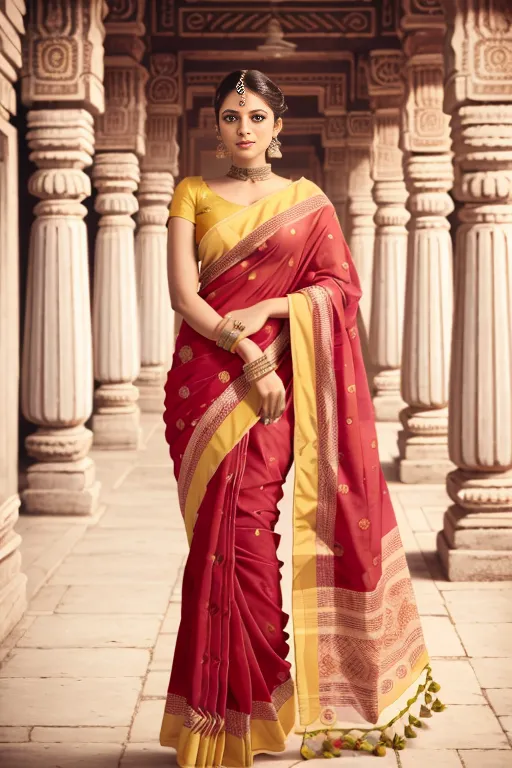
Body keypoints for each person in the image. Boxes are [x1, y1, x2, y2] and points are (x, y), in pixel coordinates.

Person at [159, 69, 445, 767]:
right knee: (214, 547)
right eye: (231, 116)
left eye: (256, 115)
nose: (244, 128)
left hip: (280, 390)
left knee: (250, 531)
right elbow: (183, 294)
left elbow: (339, 288)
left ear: (277, 127)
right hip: (209, 386)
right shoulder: (192, 193)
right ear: (216, 124)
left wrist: (270, 316)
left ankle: (257, 705)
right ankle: (218, 715)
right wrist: (244, 352)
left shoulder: (308, 203)